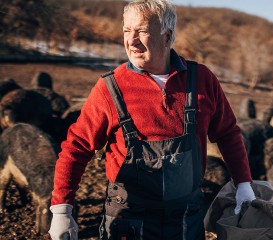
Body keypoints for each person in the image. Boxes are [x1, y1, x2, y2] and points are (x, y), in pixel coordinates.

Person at [48, 0, 255, 239]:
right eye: (127, 30)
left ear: (167, 35)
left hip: (187, 218)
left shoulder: (202, 79)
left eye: (142, 31)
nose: (132, 40)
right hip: (127, 221)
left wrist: (243, 183)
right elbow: (77, 147)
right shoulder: (110, 87)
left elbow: (228, 133)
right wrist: (62, 209)